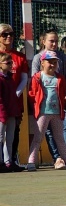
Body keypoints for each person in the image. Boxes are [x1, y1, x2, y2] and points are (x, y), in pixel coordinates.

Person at [26, 51, 66, 170]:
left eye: (55, 62)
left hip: (56, 113)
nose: (52, 65)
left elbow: (62, 93)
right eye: (49, 62)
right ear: (42, 63)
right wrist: (36, 107)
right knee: (38, 138)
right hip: (43, 113)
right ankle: (31, 162)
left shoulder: (59, 78)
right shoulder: (37, 77)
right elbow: (32, 94)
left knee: (60, 138)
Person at [0, 23, 27, 171]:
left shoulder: (20, 57)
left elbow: (24, 79)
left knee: (13, 133)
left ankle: (11, 161)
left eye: (11, 34)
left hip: (14, 103)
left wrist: (15, 94)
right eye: (4, 34)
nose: (8, 37)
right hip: (1, 104)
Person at [0, 53, 12, 172]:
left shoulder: (9, 78)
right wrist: (3, 114)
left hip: (11, 113)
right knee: (0, 138)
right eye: (7, 63)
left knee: (9, 139)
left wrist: (16, 112)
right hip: (2, 115)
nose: (10, 65)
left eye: (11, 62)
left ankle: (8, 162)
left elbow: (13, 97)